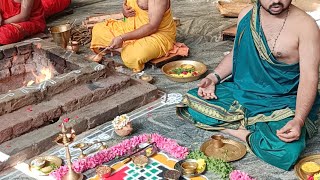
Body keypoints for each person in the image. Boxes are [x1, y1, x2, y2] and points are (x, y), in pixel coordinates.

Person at [177, 0, 320, 170]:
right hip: (242, 93)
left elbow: (309, 77)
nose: (276, 1)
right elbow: (236, 53)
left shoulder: (306, 26)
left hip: (282, 103)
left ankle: (235, 127)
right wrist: (213, 77)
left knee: (287, 151)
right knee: (189, 102)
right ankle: (247, 129)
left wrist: (299, 119)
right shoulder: (247, 15)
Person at [90, 0, 176, 72]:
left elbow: (152, 27)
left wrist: (122, 38)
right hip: (132, 28)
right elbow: (127, 8)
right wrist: (124, 11)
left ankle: (121, 49)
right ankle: (123, 49)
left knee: (133, 55)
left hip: (156, 34)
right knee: (98, 29)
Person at [0, 0, 71, 45]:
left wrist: (2, 23)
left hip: (28, 20)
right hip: (6, 19)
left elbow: (24, 16)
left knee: (5, 35)